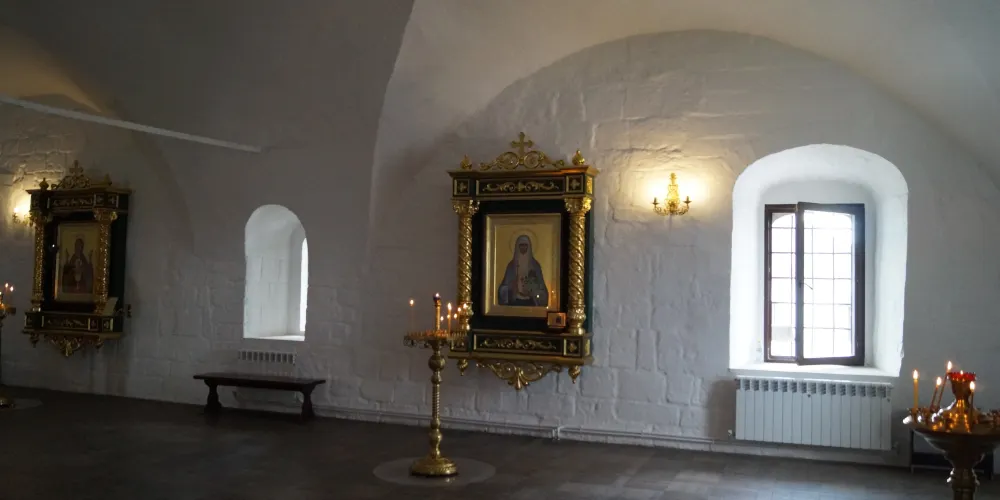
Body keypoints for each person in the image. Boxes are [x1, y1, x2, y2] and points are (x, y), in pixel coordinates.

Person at [497, 234, 548, 307]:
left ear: (529, 246)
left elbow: (542, 289)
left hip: (531, 302)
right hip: (515, 302)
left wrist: (534, 290)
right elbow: (503, 289)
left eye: (525, 245)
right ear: (517, 246)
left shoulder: (535, 265)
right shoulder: (511, 266)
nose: (523, 247)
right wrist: (511, 287)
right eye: (521, 245)